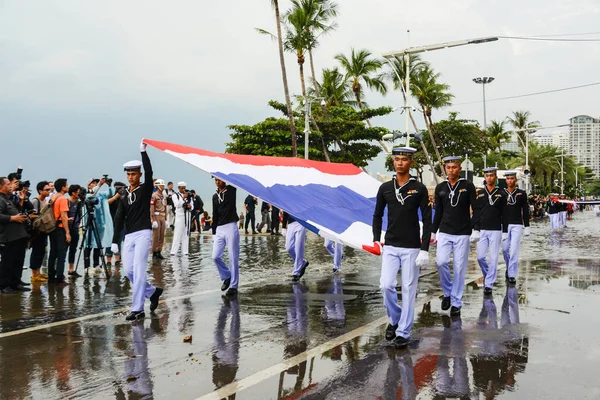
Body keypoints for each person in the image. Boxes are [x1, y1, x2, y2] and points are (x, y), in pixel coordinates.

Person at [371, 147, 432, 349]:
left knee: (408, 289)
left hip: (412, 247)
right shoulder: (385, 188)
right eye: (396, 159)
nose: (399, 163)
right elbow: (377, 214)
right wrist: (376, 238)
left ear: (411, 163)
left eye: (404, 160)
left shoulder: (419, 188)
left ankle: (403, 332)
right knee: (385, 285)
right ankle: (395, 318)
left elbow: (427, 219)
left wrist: (424, 248)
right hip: (391, 245)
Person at [111, 140, 163, 321]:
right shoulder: (124, 194)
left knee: (139, 271)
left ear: (139, 175)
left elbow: (150, 172)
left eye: (134, 174)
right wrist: (114, 240)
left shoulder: (145, 189)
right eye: (129, 174)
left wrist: (143, 152)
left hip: (143, 233)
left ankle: (138, 308)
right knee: (129, 271)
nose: (131, 177)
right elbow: (118, 218)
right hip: (129, 235)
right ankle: (153, 292)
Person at [432, 156, 478, 316]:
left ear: (459, 169)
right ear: (445, 169)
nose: (451, 170)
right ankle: (447, 293)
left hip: (463, 233)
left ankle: (456, 302)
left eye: (454, 167)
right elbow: (438, 212)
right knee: (441, 262)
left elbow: (476, 208)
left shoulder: (468, 186)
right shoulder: (440, 188)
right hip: (444, 231)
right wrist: (433, 231)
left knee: (459, 267)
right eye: (448, 167)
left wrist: (475, 228)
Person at [473, 167, 506, 296]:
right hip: (482, 229)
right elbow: (476, 212)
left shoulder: (502, 193)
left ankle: (489, 284)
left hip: (496, 229)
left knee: (493, 258)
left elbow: (505, 213)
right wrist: (474, 228)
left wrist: (505, 230)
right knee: (480, 257)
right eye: (487, 176)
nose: (489, 178)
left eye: (492, 176)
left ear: (496, 178)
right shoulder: (480, 193)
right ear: (484, 178)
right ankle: (488, 275)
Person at [0, 176, 31, 293]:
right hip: (8, 236)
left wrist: (21, 200)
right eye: (8, 184)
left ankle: (15, 283)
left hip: (19, 235)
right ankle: (3, 286)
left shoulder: (8, 198)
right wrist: (13, 218)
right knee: (7, 261)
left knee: (18, 260)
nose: (11, 186)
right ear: (1, 186)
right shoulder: (0, 199)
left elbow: (18, 211)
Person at [212, 177, 240, 297]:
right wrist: (214, 232)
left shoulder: (231, 191)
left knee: (232, 257)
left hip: (230, 226)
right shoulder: (214, 196)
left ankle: (234, 286)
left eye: (220, 180)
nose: (218, 182)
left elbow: (234, 180)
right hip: (219, 228)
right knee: (215, 256)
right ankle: (227, 275)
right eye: (216, 180)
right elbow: (215, 214)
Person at [502, 171, 530, 285]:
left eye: (512, 178)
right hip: (504, 225)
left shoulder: (521, 193)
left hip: (517, 224)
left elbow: (525, 210)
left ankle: (512, 274)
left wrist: (527, 225)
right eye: (508, 179)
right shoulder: (501, 193)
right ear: (506, 180)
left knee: (514, 250)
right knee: (504, 249)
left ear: (516, 180)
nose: (510, 180)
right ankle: (509, 267)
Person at [48, 178, 71, 286]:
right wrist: (67, 232)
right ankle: (60, 278)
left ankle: (51, 276)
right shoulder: (62, 199)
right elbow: (63, 216)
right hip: (60, 228)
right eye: (66, 185)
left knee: (53, 253)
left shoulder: (53, 197)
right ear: (63, 187)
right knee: (61, 255)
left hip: (53, 228)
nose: (68, 186)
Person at [29, 181, 51, 282]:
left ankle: (38, 272)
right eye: (46, 190)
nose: (49, 191)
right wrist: (40, 217)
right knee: (36, 252)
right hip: (36, 231)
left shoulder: (45, 202)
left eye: (49, 189)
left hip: (43, 231)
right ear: (40, 191)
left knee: (42, 251)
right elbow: (30, 215)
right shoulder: (35, 201)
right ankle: (34, 274)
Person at [283, 211, 309, 282]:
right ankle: (302, 262)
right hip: (291, 223)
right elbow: (285, 209)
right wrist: (283, 227)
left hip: (301, 222)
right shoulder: (287, 200)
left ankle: (296, 272)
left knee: (299, 247)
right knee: (289, 247)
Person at [170, 182, 193, 256]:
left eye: (184, 188)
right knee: (177, 235)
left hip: (187, 216)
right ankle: (173, 252)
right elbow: (177, 205)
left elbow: (192, 206)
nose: (183, 189)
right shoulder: (175, 195)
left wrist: (190, 206)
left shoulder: (188, 195)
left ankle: (185, 252)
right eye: (182, 188)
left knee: (186, 235)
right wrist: (183, 198)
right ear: (179, 188)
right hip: (180, 217)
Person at [67, 184, 84, 278]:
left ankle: (71, 269)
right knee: (64, 250)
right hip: (66, 228)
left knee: (73, 249)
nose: (79, 194)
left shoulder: (79, 203)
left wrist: (78, 225)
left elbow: (80, 215)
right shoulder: (66, 202)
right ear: (73, 193)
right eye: (78, 192)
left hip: (75, 228)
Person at [150, 179, 167, 260]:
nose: (163, 187)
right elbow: (152, 208)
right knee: (156, 235)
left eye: (163, 185)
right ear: (157, 186)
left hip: (163, 216)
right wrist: (153, 219)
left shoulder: (164, 196)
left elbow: (165, 207)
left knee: (161, 235)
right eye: (161, 185)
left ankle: (159, 251)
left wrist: (166, 219)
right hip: (156, 216)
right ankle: (154, 252)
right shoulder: (154, 196)